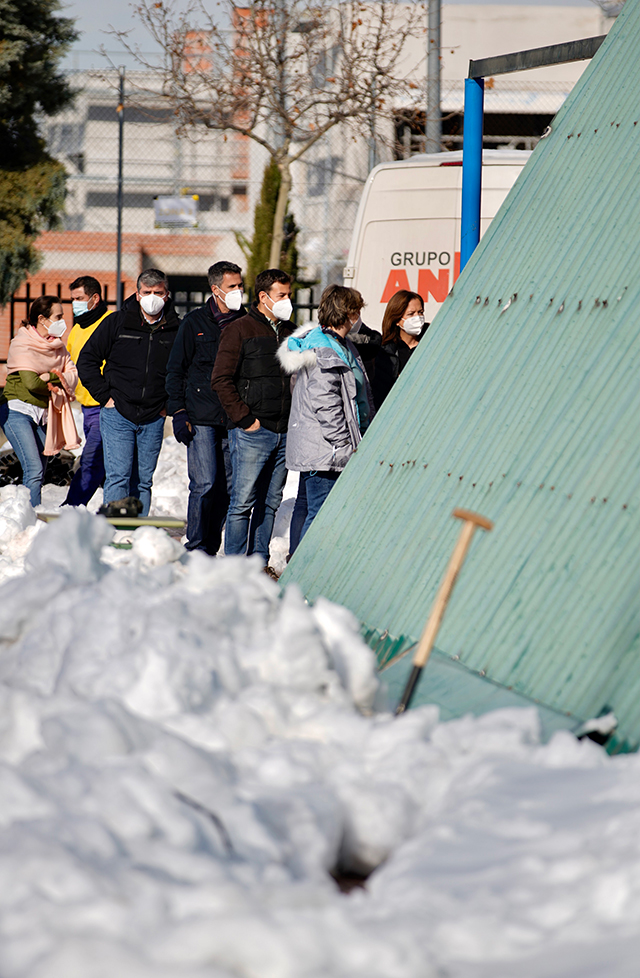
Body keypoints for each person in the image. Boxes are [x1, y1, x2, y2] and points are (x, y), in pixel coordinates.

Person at [77, 269, 180, 516]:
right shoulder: (116, 322)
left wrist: (169, 404)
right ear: (137, 293)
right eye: (147, 292)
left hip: (154, 415)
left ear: (167, 295)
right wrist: (105, 396)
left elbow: (184, 371)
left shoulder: (177, 329)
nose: (152, 297)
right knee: (118, 477)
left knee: (143, 480)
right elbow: (87, 360)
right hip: (118, 413)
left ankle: (137, 535)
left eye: (158, 293)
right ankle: (113, 535)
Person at [277, 285, 374, 547]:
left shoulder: (337, 344)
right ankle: (304, 574)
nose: (358, 319)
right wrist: (343, 442)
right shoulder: (325, 350)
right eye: (356, 312)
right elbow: (326, 403)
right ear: (347, 314)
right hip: (325, 448)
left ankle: (295, 566)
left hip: (320, 446)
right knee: (319, 511)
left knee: (307, 505)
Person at [211, 268, 295, 566]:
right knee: (242, 502)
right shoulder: (240, 329)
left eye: (288, 294)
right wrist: (245, 419)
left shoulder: (290, 332)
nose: (287, 300)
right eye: (281, 295)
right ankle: (234, 566)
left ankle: (257, 563)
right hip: (252, 431)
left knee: (270, 502)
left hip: (284, 431)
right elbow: (221, 379)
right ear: (264, 296)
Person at [165, 261, 245, 555]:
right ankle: (196, 545)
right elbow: (176, 369)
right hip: (200, 417)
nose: (238, 292)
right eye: (232, 287)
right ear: (215, 290)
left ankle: (212, 543)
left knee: (228, 487)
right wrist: (179, 412)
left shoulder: (243, 321)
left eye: (240, 286)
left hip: (233, 417)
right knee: (205, 483)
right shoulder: (194, 323)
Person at [3, 296, 79, 507]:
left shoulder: (58, 346)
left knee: (40, 470)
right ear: (42, 319)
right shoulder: (22, 343)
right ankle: (30, 518)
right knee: (34, 469)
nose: (63, 321)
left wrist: (49, 376)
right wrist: (57, 375)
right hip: (18, 411)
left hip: (45, 415)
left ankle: (27, 512)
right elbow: (32, 383)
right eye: (58, 317)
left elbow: (73, 374)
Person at [62, 276, 114, 508]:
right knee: (97, 461)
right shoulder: (77, 328)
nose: (75, 304)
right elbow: (69, 363)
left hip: (106, 406)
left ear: (95, 298)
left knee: (91, 460)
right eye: (73, 299)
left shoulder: (110, 322)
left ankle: (71, 507)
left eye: (79, 298)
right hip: (86, 408)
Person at [372, 290, 427, 409]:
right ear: (397, 320)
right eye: (411, 314)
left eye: (420, 312)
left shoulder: (431, 343)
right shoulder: (386, 352)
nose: (417, 317)